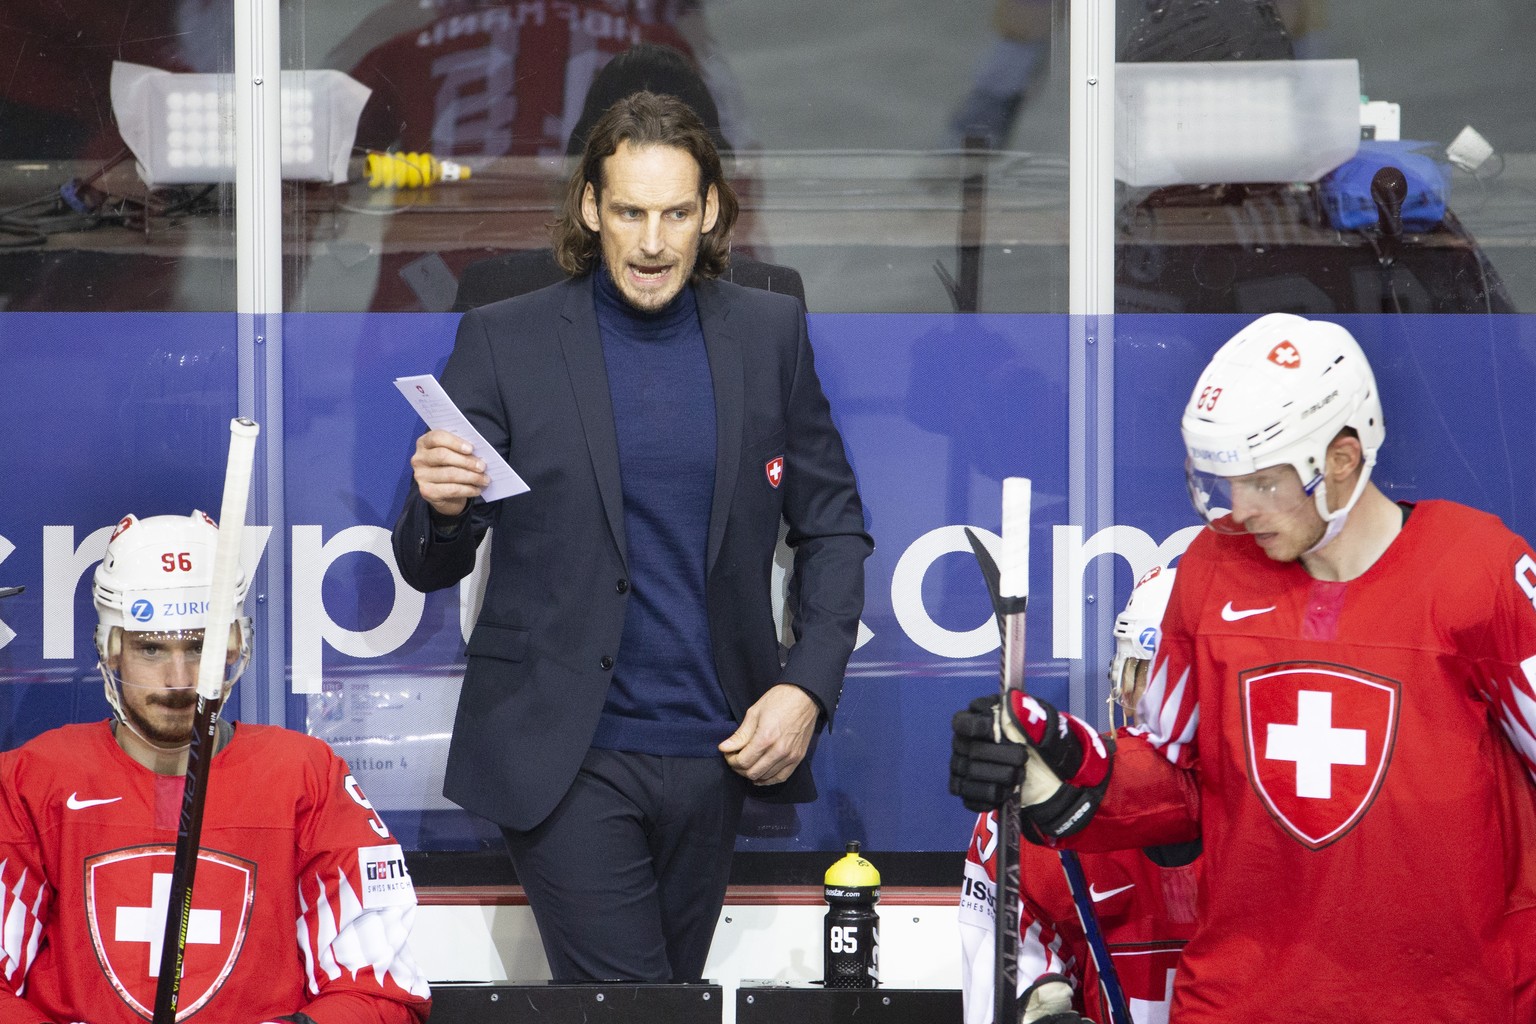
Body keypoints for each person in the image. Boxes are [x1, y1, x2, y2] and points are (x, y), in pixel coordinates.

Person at [391, 90, 871, 983]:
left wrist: (807, 688)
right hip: (565, 755)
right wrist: (443, 508)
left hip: (716, 753)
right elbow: (426, 561)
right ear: (589, 209)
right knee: (636, 1002)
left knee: (662, 999)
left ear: (713, 211)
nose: (653, 243)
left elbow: (836, 525)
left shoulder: (770, 335)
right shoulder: (505, 341)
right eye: (630, 213)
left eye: (677, 214)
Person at [951, 312, 1536, 1022]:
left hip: (1452, 1002)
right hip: (1245, 998)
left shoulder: (1479, 569)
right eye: (1225, 483)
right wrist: (1065, 765)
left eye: (1262, 482)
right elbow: (1175, 776)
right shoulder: (1209, 572)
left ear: (1342, 460)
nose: (1240, 508)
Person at [0, 511, 431, 1023]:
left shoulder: (307, 776)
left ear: (233, 644)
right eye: (152, 647)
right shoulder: (30, 781)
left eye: (199, 646)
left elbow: (381, 988)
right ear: (112, 650)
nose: (181, 679)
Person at [960, 566, 1200, 1024]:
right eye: (1151, 675)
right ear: (1123, 683)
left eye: (1195, 682)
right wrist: (1036, 1010)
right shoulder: (1042, 807)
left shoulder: (1286, 807)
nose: (1173, 707)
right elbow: (1006, 985)